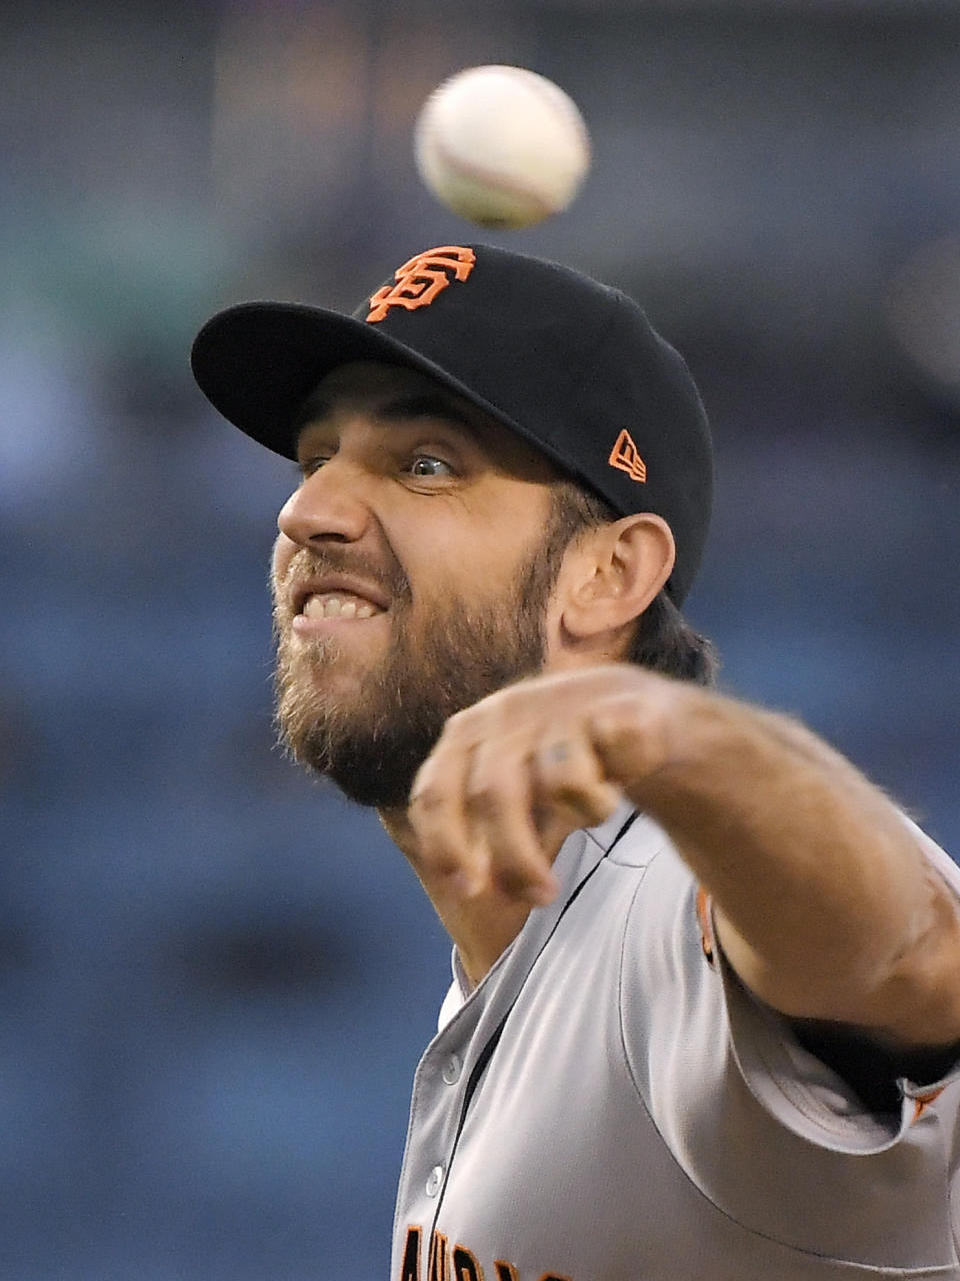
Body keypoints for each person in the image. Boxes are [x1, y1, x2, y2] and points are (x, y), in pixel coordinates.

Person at [191, 243, 960, 1280]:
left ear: (608, 575)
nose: (307, 511)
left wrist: (669, 732)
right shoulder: (508, 974)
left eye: (425, 463)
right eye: (315, 456)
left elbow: (914, 954)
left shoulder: (676, 908)